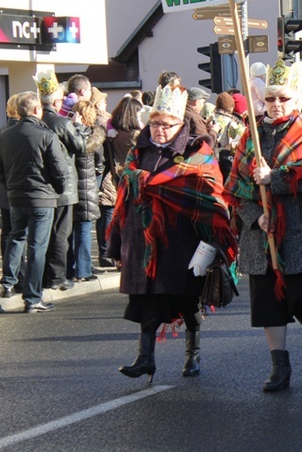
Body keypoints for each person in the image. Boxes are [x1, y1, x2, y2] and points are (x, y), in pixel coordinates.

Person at [108, 84, 235, 382]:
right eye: (155, 123)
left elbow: (211, 195)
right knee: (147, 300)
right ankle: (145, 358)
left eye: (166, 124)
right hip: (144, 239)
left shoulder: (197, 152)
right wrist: (116, 246)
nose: (160, 129)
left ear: (181, 124)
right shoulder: (139, 150)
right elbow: (124, 195)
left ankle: (193, 354)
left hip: (185, 239)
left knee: (187, 301)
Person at [226, 59, 302, 392]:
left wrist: (274, 178)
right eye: (271, 98)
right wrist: (253, 217)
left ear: (296, 100)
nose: (276, 105)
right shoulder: (251, 133)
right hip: (261, 232)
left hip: (298, 227)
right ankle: (279, 366)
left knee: (299, 297)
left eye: (283, 99)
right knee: (266, 302)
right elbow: (236, 186)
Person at [0, 90, 70, 312]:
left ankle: (8, 283)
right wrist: (58, 190)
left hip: (16, 197)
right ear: (37, 110)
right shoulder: (46, 135)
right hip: (41, 198)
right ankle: (33, 297)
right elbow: (59, 169)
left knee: (16, 238)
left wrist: (11, 187)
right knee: (37, 246)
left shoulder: (4, 135)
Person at [40, 73, 87, 292]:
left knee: (43, 235)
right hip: (64, 186)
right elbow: (80, 147)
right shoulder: (61, 122)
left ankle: (42, 276)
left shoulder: (37, 122)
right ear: (57, 102)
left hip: (42, 186)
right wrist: (77, 127)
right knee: (61, 233)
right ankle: (57, 276)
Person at [99, 96, 144, 267]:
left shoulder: (113, 132)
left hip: (116, 177)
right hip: (134, 178)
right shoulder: (136, 135)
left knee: (118, 217)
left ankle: (116, 256)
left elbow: (107, 121)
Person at [68, 100, 105, 282]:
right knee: (84, 227)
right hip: (88, 184)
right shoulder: (94, 136)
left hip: (70, 185)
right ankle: (83, 270)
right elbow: (100, 161)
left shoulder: (68, 134)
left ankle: (73, 268)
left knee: (72, 228)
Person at [0, 93, 26, 297]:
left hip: (3, 188)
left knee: (7, 232)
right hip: (17, 189)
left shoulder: (1, 130)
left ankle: (9, 277)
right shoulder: (20, 131)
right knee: (19, 234)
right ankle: (19, 278)